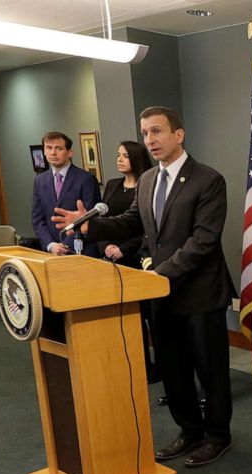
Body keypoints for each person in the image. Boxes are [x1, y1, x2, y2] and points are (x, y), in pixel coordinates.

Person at [53, 106, 236, 468]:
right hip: (159, 293)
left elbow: (203, 239)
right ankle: (189, 430)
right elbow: (131, 222)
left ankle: (217, 436)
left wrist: (162, 274)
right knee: (174, 368)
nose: (150, 140)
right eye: (145, 133)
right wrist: (89, 226)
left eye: (157, 132)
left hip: (198, 293)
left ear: (178, 134)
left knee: (209, 369)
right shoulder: (149, 179)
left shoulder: (209, 180)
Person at [99, 140, 160, 383]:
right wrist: (107, 247)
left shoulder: (148, 184)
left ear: (136, 157)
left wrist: (123, 248)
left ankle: (161, 368)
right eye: (118, 154)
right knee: (129, 317)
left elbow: (146, 227)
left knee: (149, 316)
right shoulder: (113, 186)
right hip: (113, 260)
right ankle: (139, 363)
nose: (120, 159)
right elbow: (105, 219)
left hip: (139, 259)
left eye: (125, 155)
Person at [31, 131, 101, 257]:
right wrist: (51, 245)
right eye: (49, 148)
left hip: (81, 252)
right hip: (52, 253)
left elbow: (90, 217)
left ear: (69, 152)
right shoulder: (39, 181)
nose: (53, 152)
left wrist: (65, 245)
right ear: (44, 151)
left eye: (59, 148)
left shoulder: (86, 179)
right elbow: (38, 219)